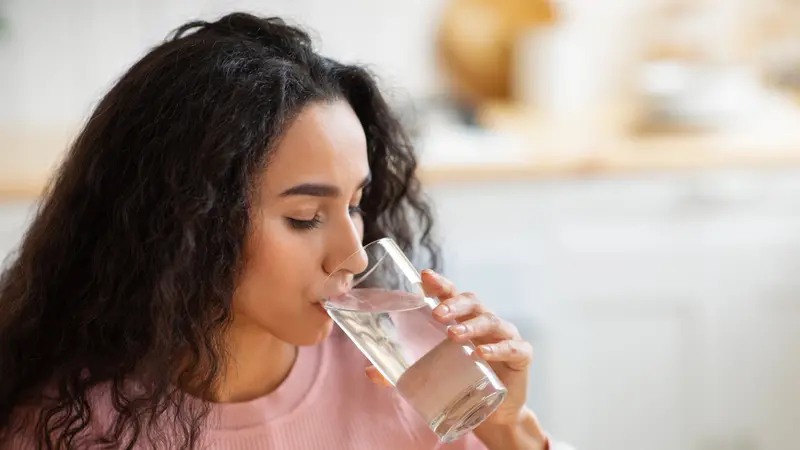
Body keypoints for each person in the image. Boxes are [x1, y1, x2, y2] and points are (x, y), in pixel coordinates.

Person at [0, 12, 573, 450]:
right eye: (305, 218)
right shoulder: (67, 425)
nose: (352, 256)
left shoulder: (408, 380)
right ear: (186, 221)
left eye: (356, 203)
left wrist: (508, 430)